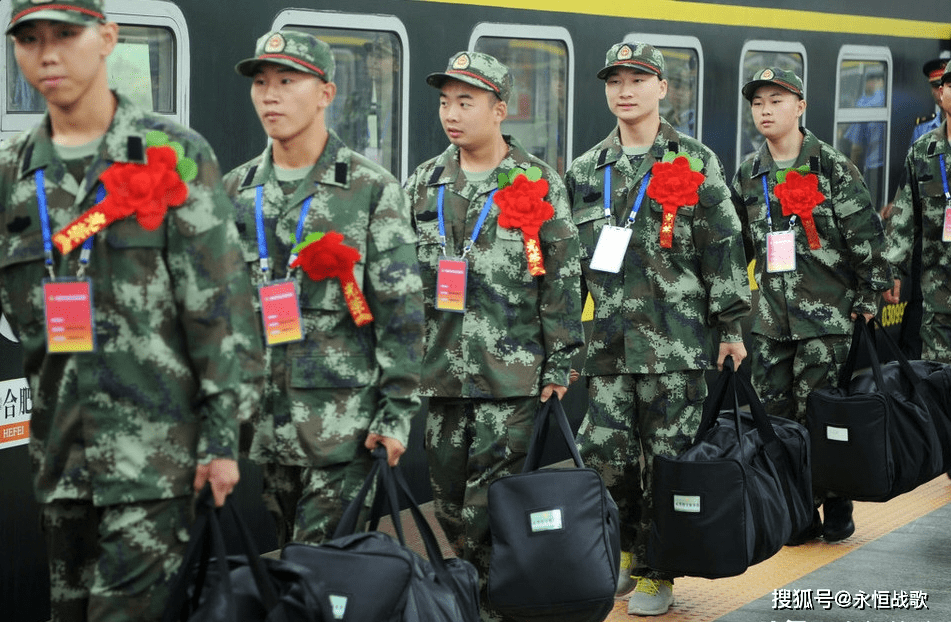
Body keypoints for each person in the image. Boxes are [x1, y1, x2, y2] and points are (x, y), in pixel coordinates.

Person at [0, 1, 263, 620]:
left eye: (66, 34)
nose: (48, 53)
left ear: (108, 39)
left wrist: (223, 443)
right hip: (60, 461)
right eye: (29, 39)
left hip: (158, 464)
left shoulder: (172, 154)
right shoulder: (13, 174)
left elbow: (221, 310)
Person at [565, 42, 750, 616]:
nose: (625, 90)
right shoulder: (584, 170)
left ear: (662, 89)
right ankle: (621, 550)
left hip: (676, 343)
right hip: (608, 346)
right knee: (606, 455)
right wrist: (563, 337)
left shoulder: (693, 161)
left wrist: (732, 327)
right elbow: (570, 262)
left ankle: (656, 568)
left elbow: (723, 246)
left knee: (666, 461)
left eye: (638, 79)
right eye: (615, 80)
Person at [223, 30, 424, 547]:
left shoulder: (370, 189)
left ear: (326, 94)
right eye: (262, 82)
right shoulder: (235, 191)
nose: (270, 94)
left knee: (325, 575)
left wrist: (396, 413)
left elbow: (400, 311)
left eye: (287, 81)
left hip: (345, 431)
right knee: (292, 567)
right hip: (267, 430)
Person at [405, 50, 584, 621]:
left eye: (466, 101)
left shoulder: (537, 183)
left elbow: (561, 282)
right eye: (444, 101)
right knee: (452, 506)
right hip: (440, 378)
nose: (451, 114)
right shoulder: (424, 183)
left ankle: (492, 605)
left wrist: (560, 366)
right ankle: (476, 594)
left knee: (494, 506)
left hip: (512, 377)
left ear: (500, 109)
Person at [731, 68, 892, 547]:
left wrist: (866, 302)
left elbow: (867, 242)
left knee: (822, 417)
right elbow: (739, 245)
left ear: (800, 106)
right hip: (771, 323)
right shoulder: (747, 173)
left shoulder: (832, 168)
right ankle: (798, 508)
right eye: (758, 102)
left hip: (827, 320)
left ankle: (837, 499)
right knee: (778, 422)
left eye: (776, 100)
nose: (765, 110)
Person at [885, 62, 951, 363]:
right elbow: (904, 215)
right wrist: (894, 270)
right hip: (936, 291)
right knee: (936, 376)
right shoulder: (924, 151)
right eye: (948, 85)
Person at [845, 70, 886, 209]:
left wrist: (851, 180)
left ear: (871, 82)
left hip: (873, 169)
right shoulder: (887, 97)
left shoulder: (865, 103)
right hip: (891, 169)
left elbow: (857, 148)